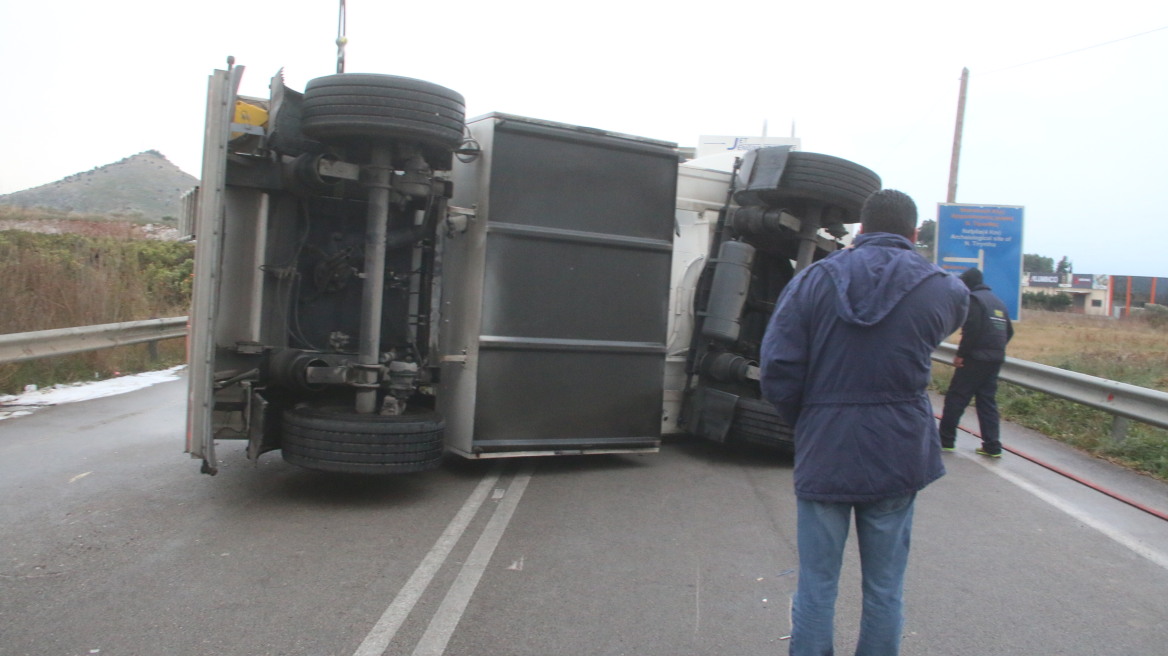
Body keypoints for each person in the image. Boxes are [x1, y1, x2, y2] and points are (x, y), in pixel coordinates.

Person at [760, 189, 968, 656]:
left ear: (860, 230)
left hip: (826, 447)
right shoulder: (944, 289)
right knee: (885, 588)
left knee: (816, 584)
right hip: (898, 449)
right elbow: (946, 319)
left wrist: (811, 418)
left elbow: (777, 367)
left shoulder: (812, 280)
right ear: (914, 235)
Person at [938, 267, 1014, 457]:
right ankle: (992, 446)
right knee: (987, 402)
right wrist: (995, 349)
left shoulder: (974, 300)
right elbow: (1009, 331)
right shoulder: (998, 302)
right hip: (995, 359)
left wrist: (961, 354)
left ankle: (945, 441)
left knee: (956, 397)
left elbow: (972, 330)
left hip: (975, 358)